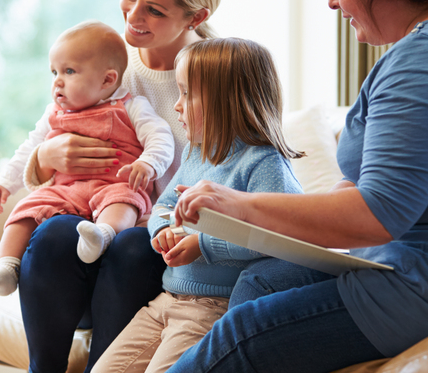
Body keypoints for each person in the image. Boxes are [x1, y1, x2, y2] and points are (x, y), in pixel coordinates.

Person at [166, 0, 428, 372]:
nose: (332, 1)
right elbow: (372, 184)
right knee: (263, 279)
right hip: (425, 268)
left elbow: (379, 213)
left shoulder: (427, 59)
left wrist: (239, 204)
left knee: (239, 336)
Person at [16, 0, 223, 372]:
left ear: (195, 16)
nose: (132, 15)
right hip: (87, 238)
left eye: (154, 10)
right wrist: (46, 158)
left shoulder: (215, 76)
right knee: (53, 234)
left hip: (152, 246)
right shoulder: (107, 62)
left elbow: (232, 173)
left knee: (132, 245)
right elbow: (41, 137)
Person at [92, 38, 304, 373]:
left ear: (228, 101)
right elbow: (165, 205)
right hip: (166, 300)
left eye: (187, 94)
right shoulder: (197, 153)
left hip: (211, 309)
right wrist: (162, 229)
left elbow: (277, 237)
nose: (177, 106)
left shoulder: (265, 164)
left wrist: (203, 244)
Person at [0, 21, 175, 296]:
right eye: (54, 71)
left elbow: (161, 137)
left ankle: (102, 235)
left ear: (107, 80)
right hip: (65, 190)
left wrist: (148, 163)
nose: (57, 81)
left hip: (113, 183)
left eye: (69, 71)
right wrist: (6, 182)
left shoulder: (131, 105)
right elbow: (30, 146)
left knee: (126, 201)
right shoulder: (54, 113)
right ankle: (7, 269)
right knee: (27, 208)